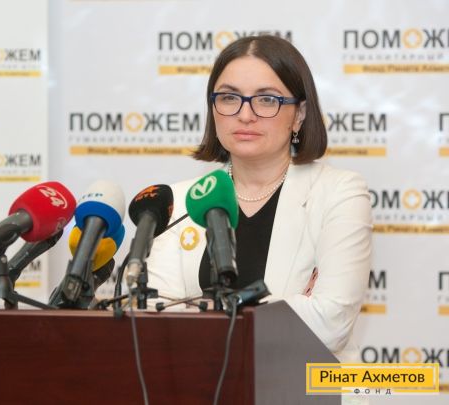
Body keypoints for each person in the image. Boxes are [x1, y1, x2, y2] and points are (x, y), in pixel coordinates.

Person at [146, 35, 372, 366]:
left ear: (299, 114)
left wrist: (202, 306)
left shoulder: (340, 192)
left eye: (267, 100)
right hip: (199, 384)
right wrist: (288, 307)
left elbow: (330, 323)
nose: (245, 114)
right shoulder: (178, 201)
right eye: (229, 97)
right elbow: (157, 321)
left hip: (305, 387)